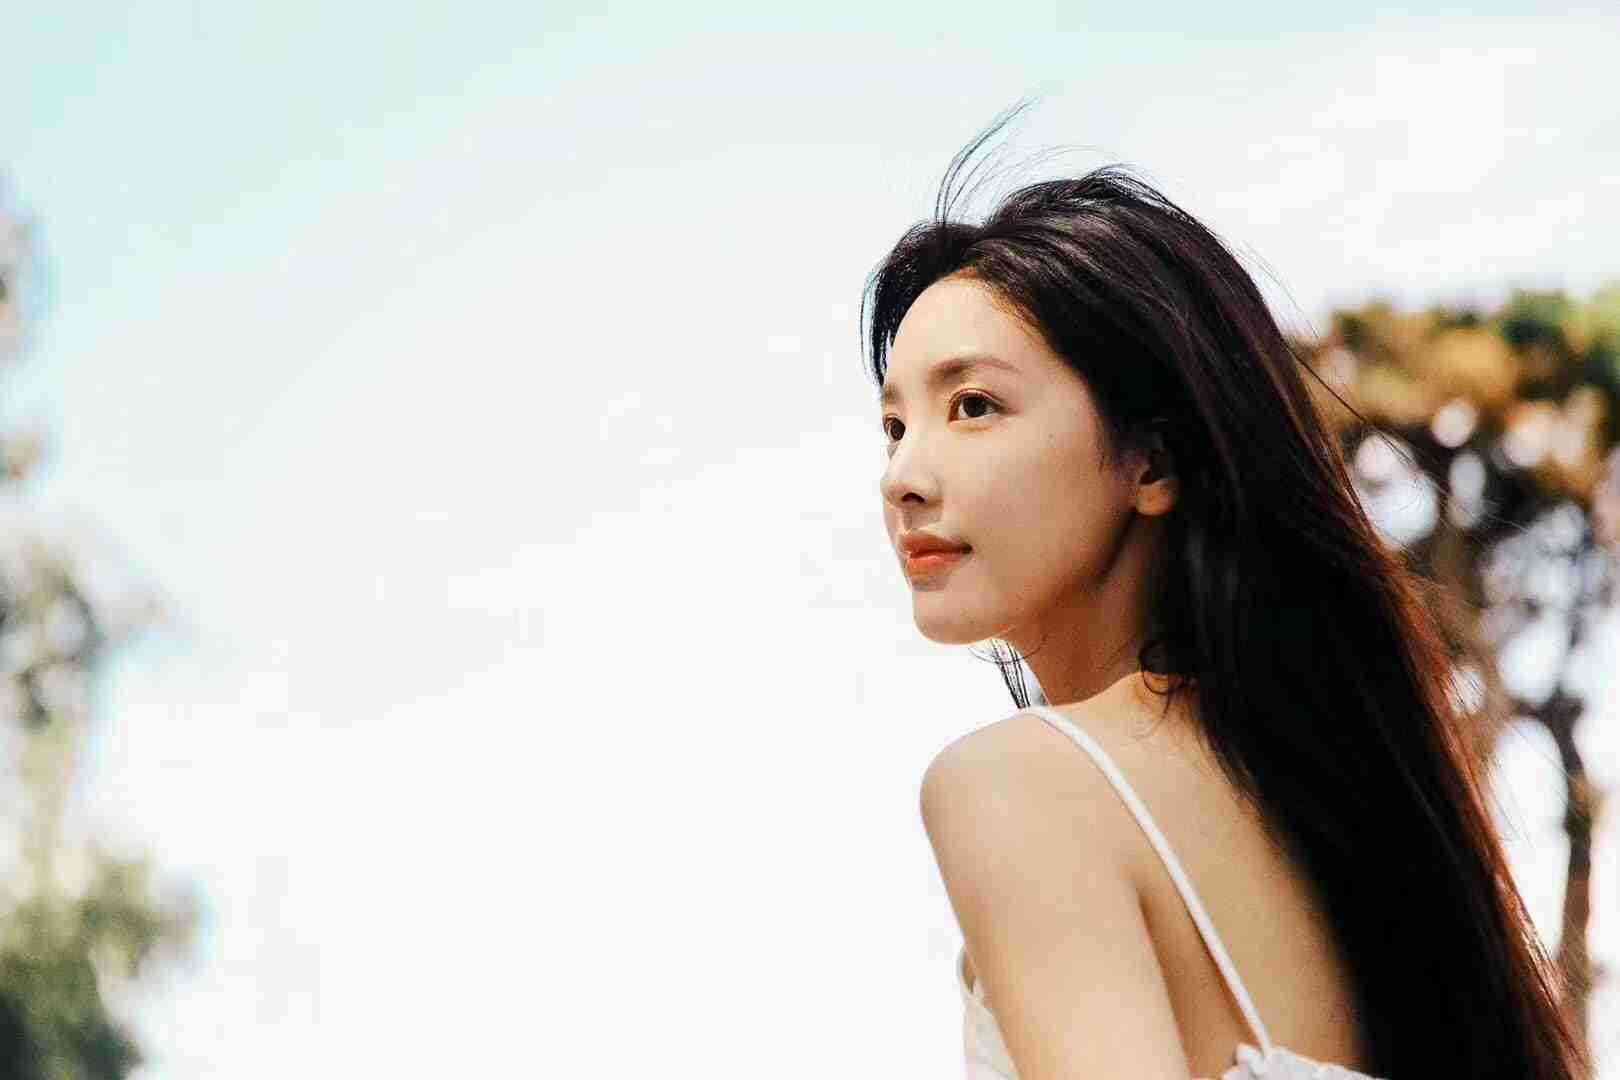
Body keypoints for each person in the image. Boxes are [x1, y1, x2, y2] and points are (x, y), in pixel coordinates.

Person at [863, 100, 1591, 1080]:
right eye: (895, 425)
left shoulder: (1019, 785)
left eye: (974, 405)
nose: (903, 476)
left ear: (1152, 461)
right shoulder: (1365, 836)